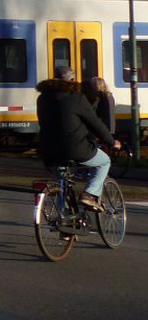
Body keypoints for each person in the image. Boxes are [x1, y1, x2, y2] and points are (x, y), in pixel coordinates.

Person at [36, 64, 120, 211]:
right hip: (75, 149)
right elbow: (96, 124)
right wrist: (112, 142)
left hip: (49, 151)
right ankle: (89, 194)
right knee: (104, 162)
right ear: (73, 79)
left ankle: (67, 229)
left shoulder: (43, 98)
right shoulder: (76, 98)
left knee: (63, 183)